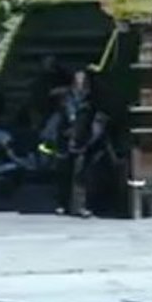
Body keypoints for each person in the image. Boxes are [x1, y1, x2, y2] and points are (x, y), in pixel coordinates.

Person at [41, 69, 93, 217]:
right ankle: (62, 204)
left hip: (81, 139)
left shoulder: (89, 98)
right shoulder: (64, 96)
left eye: (82, 79)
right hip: (64, 138)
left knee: (79, 175)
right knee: (64, 174)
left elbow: (90, 118)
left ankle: (80, 206)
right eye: (77, 79)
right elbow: (58, 109)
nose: (79, 82)